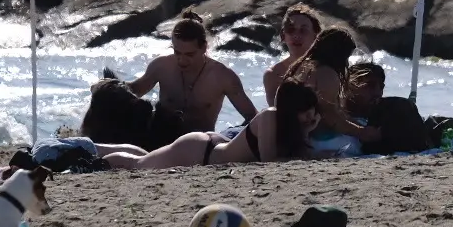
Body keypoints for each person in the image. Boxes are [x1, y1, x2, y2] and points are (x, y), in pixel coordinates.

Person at [100, 82, 319, 170]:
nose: (312, 116)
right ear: (293, 109)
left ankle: (95, 148)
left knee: (144, 157)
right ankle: (95, 161)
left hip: (211, 147)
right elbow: (269, 161)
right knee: (138, 164)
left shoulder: (289, 126)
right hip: (200, 152)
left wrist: (306, 132)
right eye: (307, 112)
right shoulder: (271, 116)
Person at [128, 10, 257, 133]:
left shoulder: (223, 77)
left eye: (189, 54)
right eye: (177, 52)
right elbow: (130, 94)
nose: (182, 60)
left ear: (204, 48)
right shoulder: (161, 67)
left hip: (199, 146)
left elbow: (253, 117)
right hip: (160, 140)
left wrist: (229, 138)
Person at [287, 28, 377, 151]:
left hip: (292, 136)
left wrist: (359, 127)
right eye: (346, 57)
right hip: (317, 141)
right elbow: (329, 116)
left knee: (361, 122)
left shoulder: (300, 66)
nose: (346, 63)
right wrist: (361, 132)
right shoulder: (326, 73)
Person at [263, 4, 322, 106]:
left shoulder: (326, 70)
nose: (296, 35)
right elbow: (276, 115)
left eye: (303, 30)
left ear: (315, 36)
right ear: (283, 35)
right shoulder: (272, 75)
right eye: (290, 29)